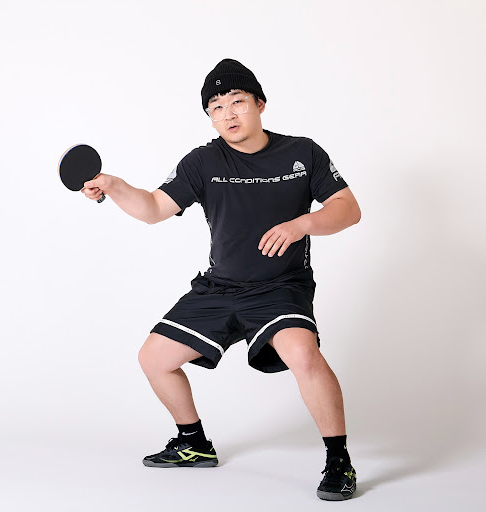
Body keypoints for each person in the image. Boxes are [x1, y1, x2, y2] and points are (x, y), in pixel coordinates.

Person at [82, 58, 361, 501]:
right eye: (216, 107)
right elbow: (153, 208)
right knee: (154, 358)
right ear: (210, 116)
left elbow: (348, 209)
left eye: (237, 102)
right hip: (220, 287)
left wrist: (302, 225)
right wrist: (114, 186)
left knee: (302, 354)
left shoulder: (303, 152)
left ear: (260, 104)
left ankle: (339, 461)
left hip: (280, 287)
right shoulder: (202, 162)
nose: (228, 114)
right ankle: (193, 443)